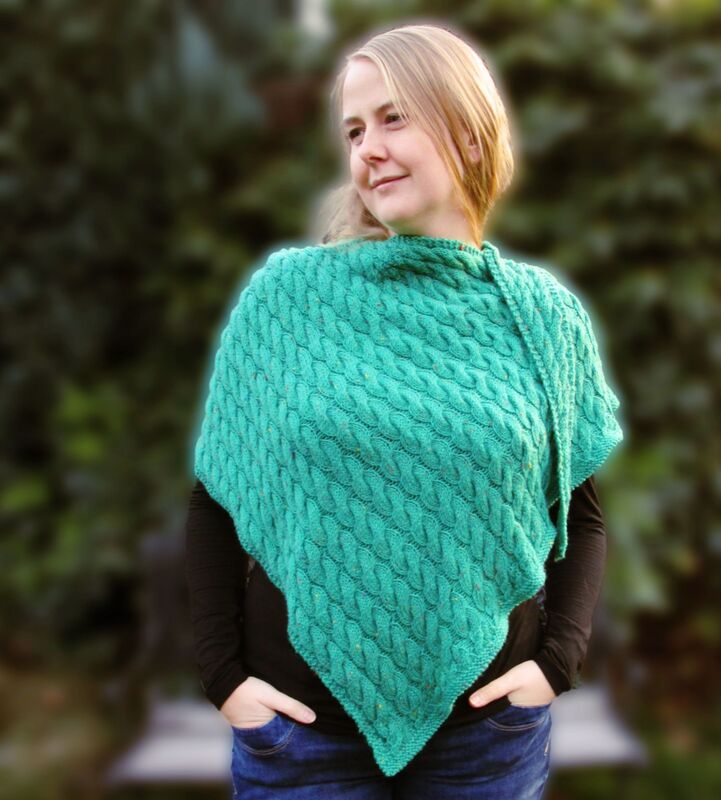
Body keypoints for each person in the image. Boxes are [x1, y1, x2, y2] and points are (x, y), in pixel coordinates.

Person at [184, 21, 624, 800]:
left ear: (471, 135)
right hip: (302, 740)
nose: (368, 149)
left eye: (394, 118)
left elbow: (579, 516)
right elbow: (218, 497)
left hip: (488, 741)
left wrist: (558, 663)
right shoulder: (287, 300)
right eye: (354, 130)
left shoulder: (543, 316)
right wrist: (224, 680)